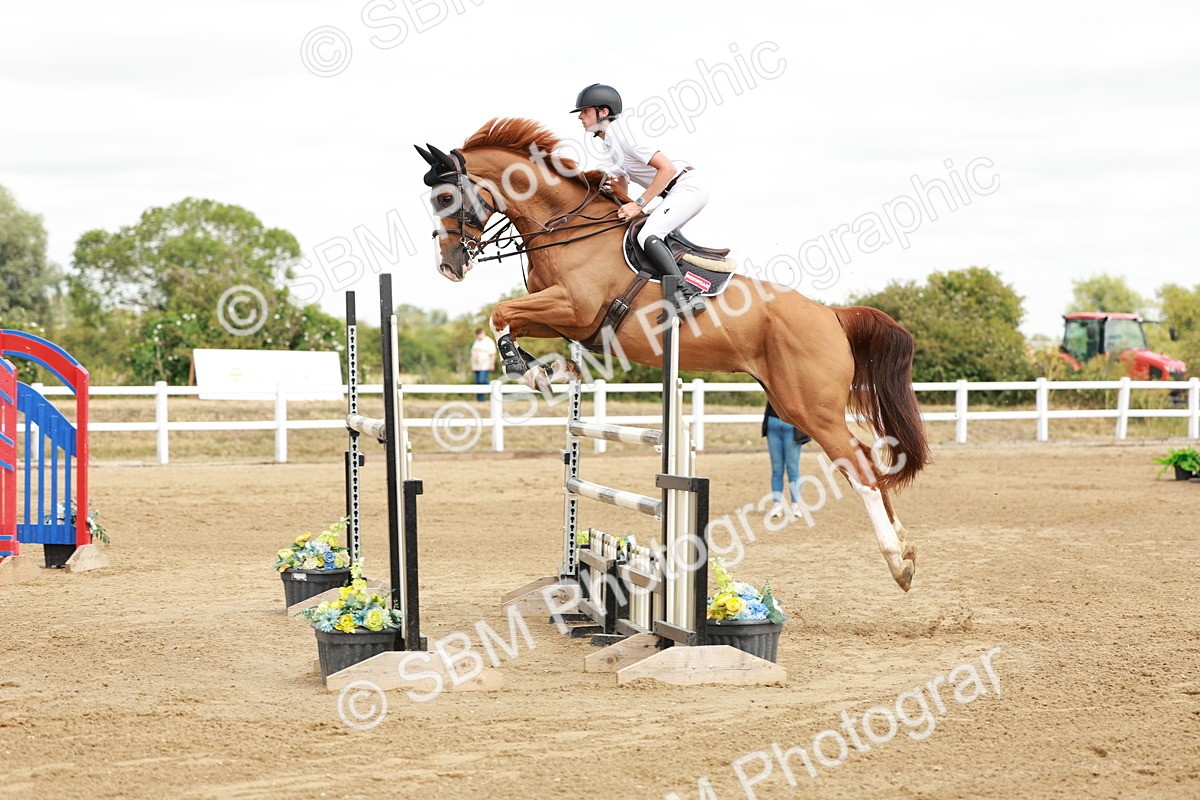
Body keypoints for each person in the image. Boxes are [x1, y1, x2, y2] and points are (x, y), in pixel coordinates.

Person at [572, 83, 709, 316]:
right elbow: (622, 184)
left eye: (585, 111)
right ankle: (670, 296)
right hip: (673, 192)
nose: (580, 117)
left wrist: (639, 204)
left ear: (603, 112)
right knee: (642, 237)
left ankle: (687, 295)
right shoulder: (608, 143)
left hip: (686, 187)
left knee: (648, 235)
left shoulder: (624, 134)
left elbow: (666, 169)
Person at [762, 401, 811, 519]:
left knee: (792, 468)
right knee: (776, 469)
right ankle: (777, 504)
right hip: (772, 424)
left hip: (791, 426)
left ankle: (795, 505)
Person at [470, 328, 497, 401]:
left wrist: (492, 364)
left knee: (482, 380)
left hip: (485, 365)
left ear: (483, 333)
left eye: (480, 333)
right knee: (478, 383)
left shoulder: (489, 341)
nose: (479, 335)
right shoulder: (476, 342)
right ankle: (480, 400)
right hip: (476, 366)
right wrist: (471, 364)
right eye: (477, 334)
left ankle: (494, 388)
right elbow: (472, 353)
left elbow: (492, 354)